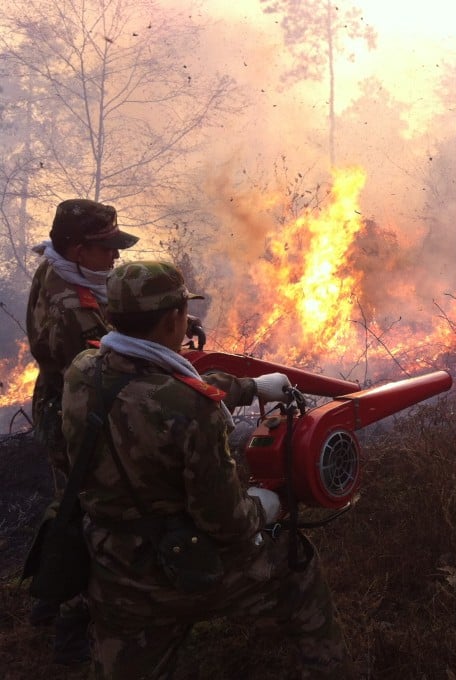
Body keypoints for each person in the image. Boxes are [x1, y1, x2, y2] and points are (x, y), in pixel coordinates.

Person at [60, 260, 348, 679]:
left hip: (114, 570)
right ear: (174, 318)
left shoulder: (82, 372)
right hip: (182, 567)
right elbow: (227, 523)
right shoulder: (192, 410)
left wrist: (249, 387)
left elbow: (152, 388)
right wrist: (266, 504)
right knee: (297, 566)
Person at [24, 198, 139, 663]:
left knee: (66, 502)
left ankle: (46, 597)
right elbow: (111, 359)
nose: (114, 256)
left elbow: (109, 319)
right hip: (77, 412)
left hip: (64, 397)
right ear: (74, 248)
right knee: (93, 510)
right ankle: (73, 624)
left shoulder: (65, 273)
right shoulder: (72, 305)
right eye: (104, 247)